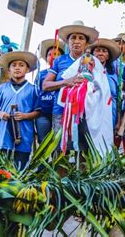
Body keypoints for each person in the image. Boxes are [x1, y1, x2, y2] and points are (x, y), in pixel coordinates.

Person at [42, 20, 99, 151]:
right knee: (61, 149)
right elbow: (45, 85)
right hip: (61, 111)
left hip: (85, 112)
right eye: (73, 37)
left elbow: (99, 86)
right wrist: (66, 82)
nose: (77, 41)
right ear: (68, 42)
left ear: (86, 43)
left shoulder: (92, 61)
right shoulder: (59, 61)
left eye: (81, 38)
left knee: (84, 149)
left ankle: (81, 172)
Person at [0, 51, 40, 169]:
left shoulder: (33, 89)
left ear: (27, 69)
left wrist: (25, 116)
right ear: (9, 70)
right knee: (0, 168)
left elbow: (38, 111)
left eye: (21, 65)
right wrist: (0, 113)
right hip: (4, 132)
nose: (17, 68)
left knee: (20, 167)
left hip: (24, 132)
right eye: (14, 65)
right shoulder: (2, 88)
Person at [36, 38, 65, 143]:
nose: (53, 56)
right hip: (43, 112)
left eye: (57, 53)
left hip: (60, 112)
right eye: (49, 54)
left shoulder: (65, 73)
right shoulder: (41, 74)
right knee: (43, 142)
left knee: (58, 142)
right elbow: (37, 92)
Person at [89, 38, 121, 130]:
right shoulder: (86, 73)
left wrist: (119, 121)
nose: (100, 53)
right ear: (92, 54)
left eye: (104, 51)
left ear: (108, 56)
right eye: (97, 50)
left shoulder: (114, 76)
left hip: (110, 115)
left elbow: (117, 98)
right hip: (91, 115)